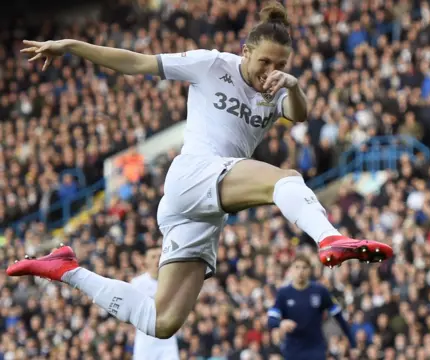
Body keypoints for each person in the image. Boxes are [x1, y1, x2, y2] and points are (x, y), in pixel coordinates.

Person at [7, 1, 393, 340]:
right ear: (245, 52)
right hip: (193, 174)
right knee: (287, 179)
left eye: (281, 65)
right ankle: (329, 237)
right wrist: (73, 47)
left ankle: (66, 269)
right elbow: (137, 62)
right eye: (264, 62)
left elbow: (300, 114)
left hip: (205, 208)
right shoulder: (211, 64)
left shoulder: (278, 92)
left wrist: (291, 84)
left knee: (161, 321)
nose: (270, 71)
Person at [267, 255, 355, 359]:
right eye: (297, 267)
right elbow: (271, 319)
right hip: (293, 350)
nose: (300, 271)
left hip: (316, 349)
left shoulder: (320, 291)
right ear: (291, 270)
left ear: (310, 270)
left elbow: (339, 316)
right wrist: (281, 323)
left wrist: (353, 343)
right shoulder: (284, 293)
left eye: (304, 267)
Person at [129, 247, 179, 360]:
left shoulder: (173, 282)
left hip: (168, 341)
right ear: (145, 261)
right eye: (153, 256)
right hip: (145, 340)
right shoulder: (137, 283)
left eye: (159, 256)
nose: (157, 259)